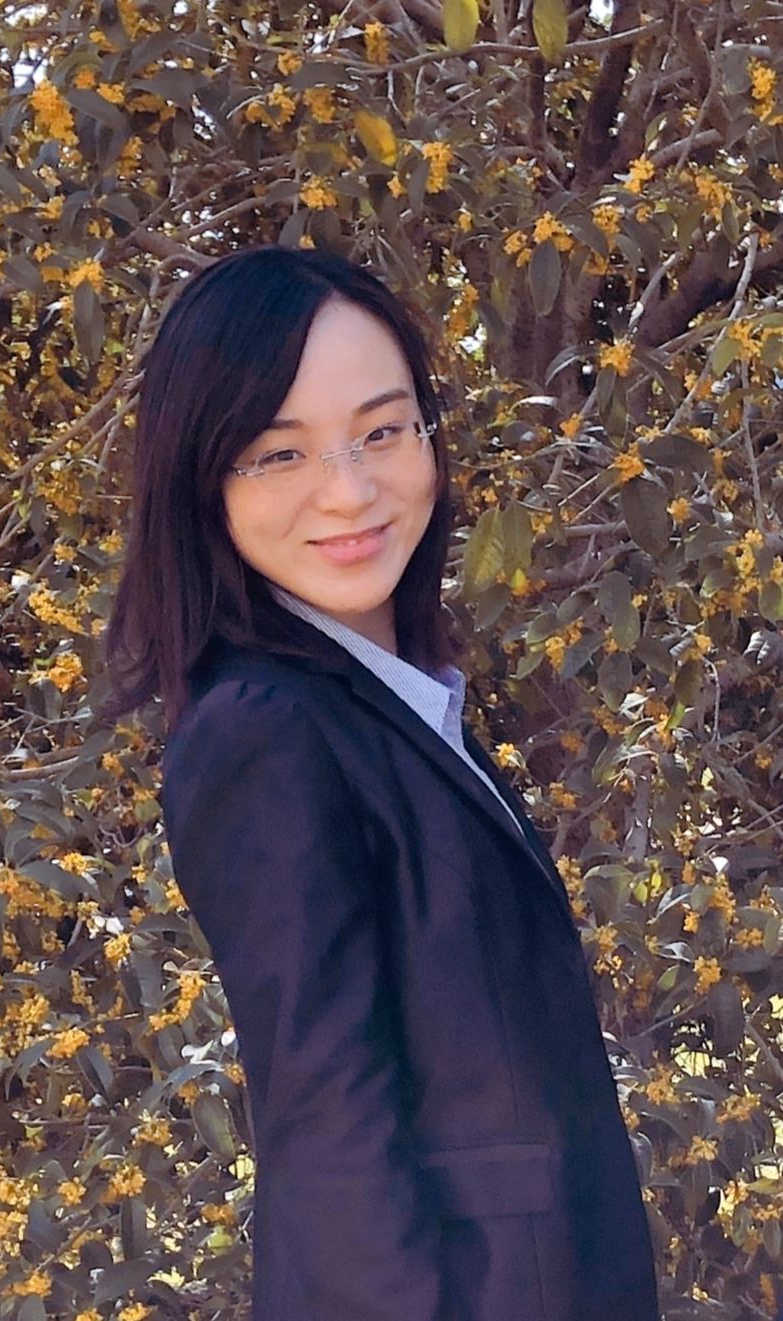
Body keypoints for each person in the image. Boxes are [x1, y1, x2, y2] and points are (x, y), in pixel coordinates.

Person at [105, 244, 660, 1321]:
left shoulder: (396, 705)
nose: (350, 489)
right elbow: (333, 1151)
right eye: (279, 453)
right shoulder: (263, 735)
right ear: (201, 479)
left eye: (383, 429)